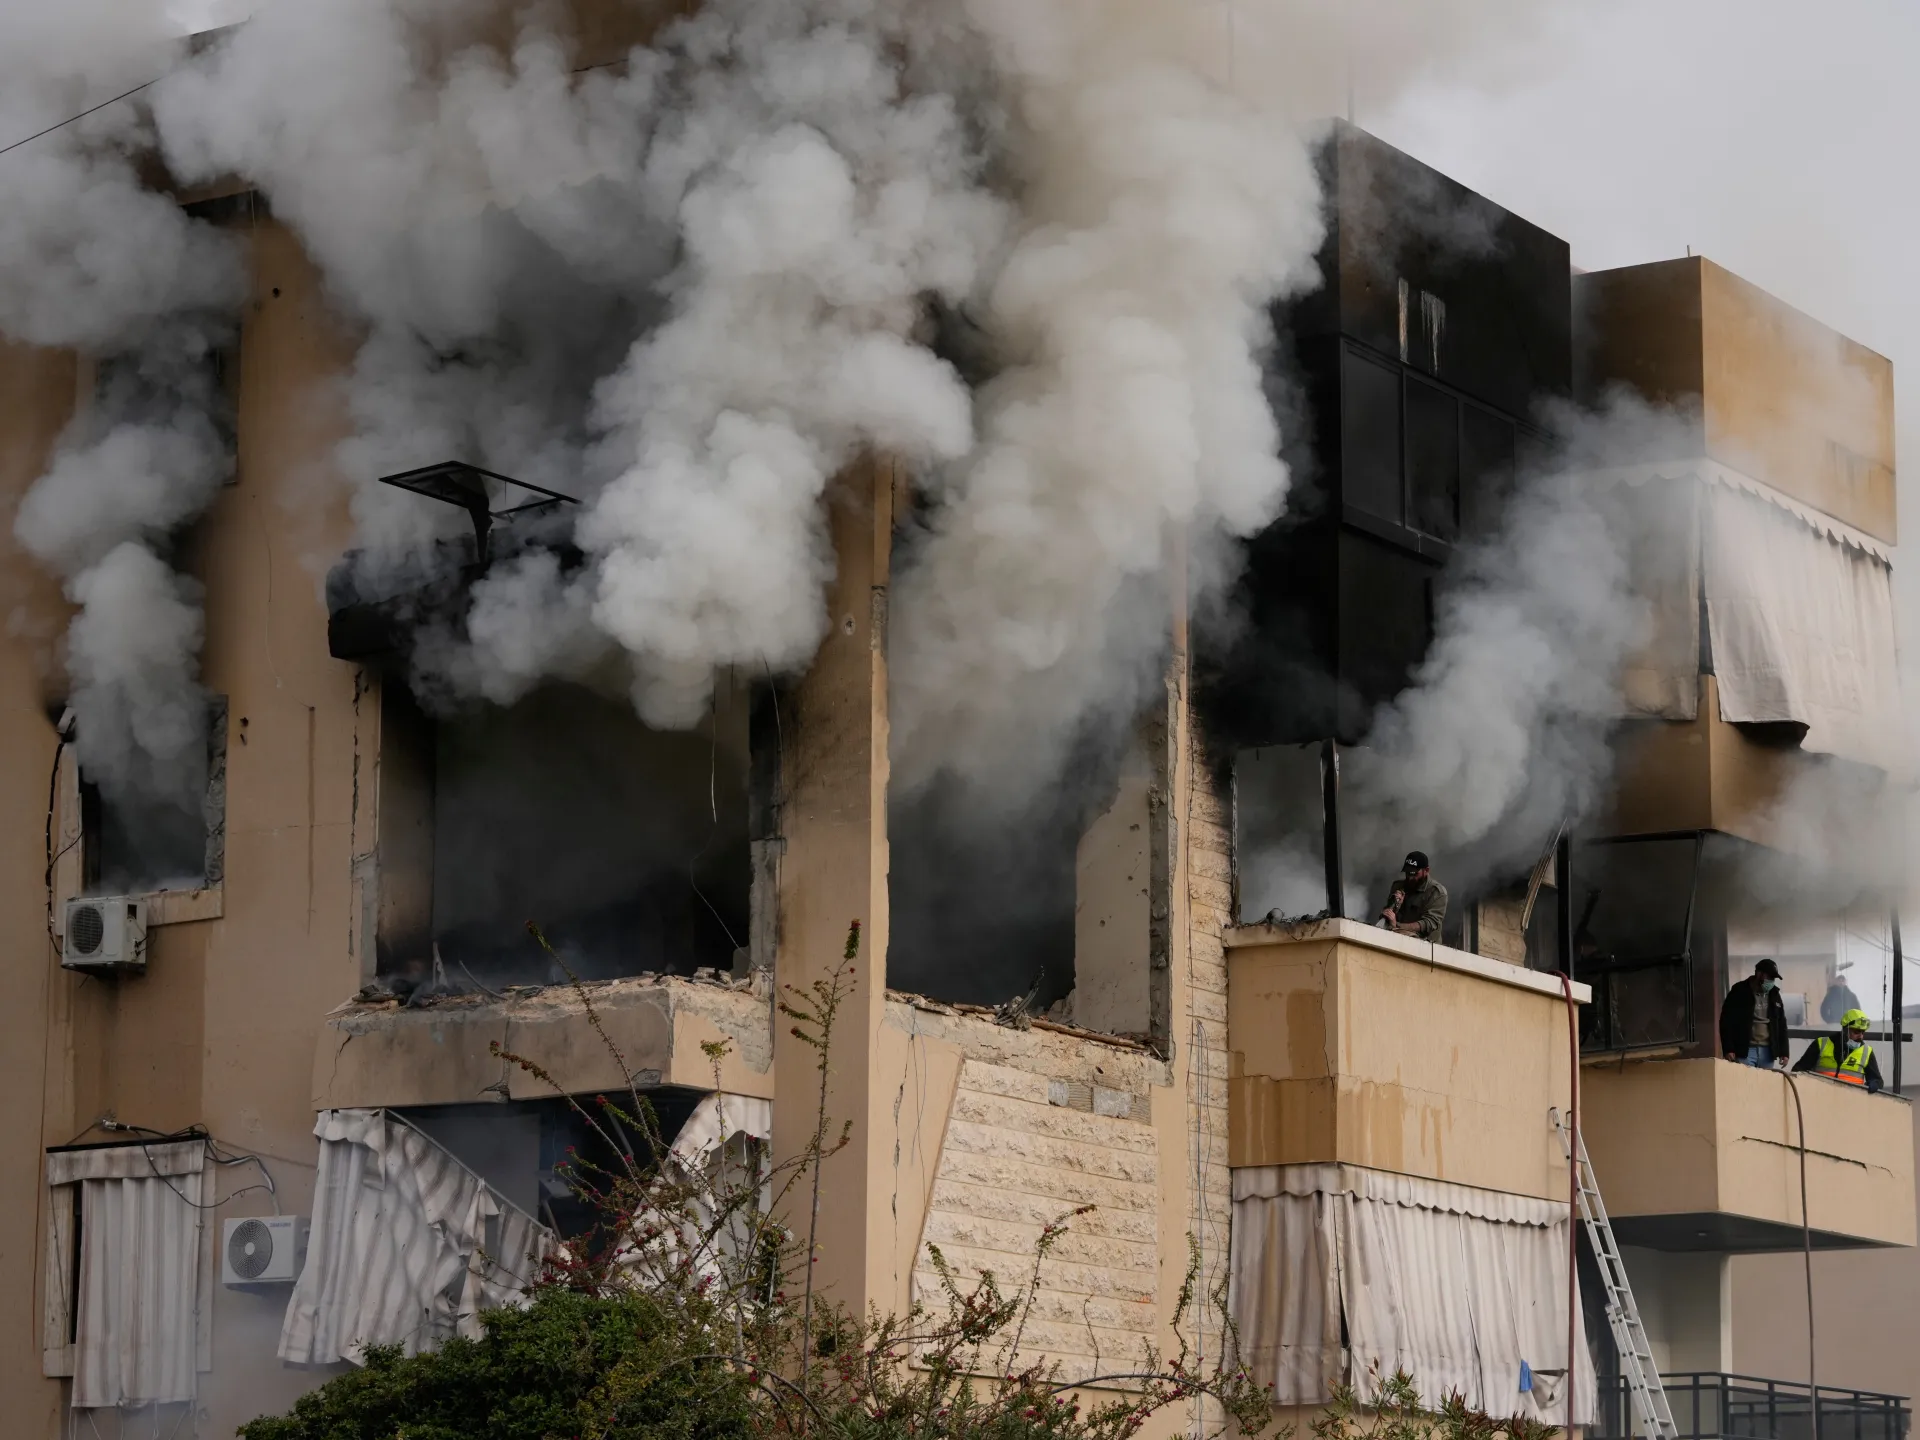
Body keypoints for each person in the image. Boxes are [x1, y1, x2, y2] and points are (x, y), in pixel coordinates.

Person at [1794, 1007, 1884, 1093]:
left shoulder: (1866, 1052)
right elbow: (1798, 1070)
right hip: (1820, 1098)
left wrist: (1874, 1084)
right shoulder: (1821, 1044)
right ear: (1845, 1030)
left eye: (1863, 1032)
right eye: (1856, 1032)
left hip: (1851, 1102)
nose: (1860, 1036)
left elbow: (1878, 1080)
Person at [1719, 958, 1788, 1069]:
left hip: (1768, 1052)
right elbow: (1726, 1021)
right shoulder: (1739, 991)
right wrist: (1729, 1048)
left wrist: (1784, 1052)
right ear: (1758, 974)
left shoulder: (1774, 994)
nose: (1770, 981)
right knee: (1745, 1084)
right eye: (1769, 977)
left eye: (1773, 979)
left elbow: (1781, 1023)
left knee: (1763, 1085)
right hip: (1745, 1051)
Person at [1378, 851, 1448, 940]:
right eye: (1408, 873)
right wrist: (1395, 906)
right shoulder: (1398, 886)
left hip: (1426, 946)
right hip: (1396, 938)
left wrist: (1397, 925)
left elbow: (1429, 923)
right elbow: (1387, 918)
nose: (1410, 878)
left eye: (1414, 874)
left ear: (1426, 871)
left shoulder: (1436, 892)